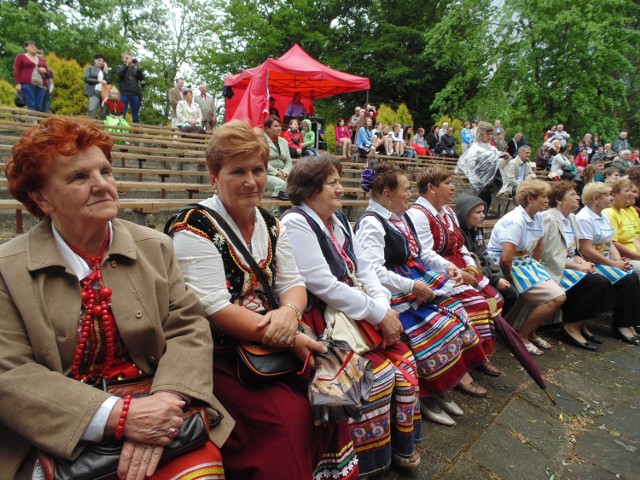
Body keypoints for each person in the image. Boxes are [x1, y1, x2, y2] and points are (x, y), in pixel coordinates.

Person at [0, 116, 233, 479]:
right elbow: (10, 373)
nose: (101, 185)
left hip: (162, 407)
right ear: (40, 197)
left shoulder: (155, 246)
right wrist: (119, 418)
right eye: (79, 177)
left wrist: (164, 406)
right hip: (58, 432)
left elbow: (189, 328)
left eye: (105, 172)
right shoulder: (6, 269)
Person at [169, 121, 358, 480]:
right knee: (287, 422)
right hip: (220, 355)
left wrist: (289, 312)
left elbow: (294, 284)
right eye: (237, 171)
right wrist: (292, 333)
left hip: (276, 341)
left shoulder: (272, 224)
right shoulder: (194, 227)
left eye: (258, 170)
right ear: (214, 176)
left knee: (330, 396)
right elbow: (214, 308)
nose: (251, 180)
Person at [281, 155, 422, 475]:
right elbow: (323, 284)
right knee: (377, 375)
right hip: (323, 316)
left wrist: (383, 305)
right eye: (333, 183)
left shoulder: (340, 219)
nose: (341, 189)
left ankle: (399, 446)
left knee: (405, 361)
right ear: (310, 190)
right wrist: (376, 313)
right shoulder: (296, 222)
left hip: (355, 306)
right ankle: (366, 460)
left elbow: (364, 269)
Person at [355, 164, 492, 427]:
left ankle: (441, 387)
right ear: (387, 193)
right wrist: (410, 287)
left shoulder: (400, 216)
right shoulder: (372, 223)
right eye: (406, 189)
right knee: (435, 328)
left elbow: (421, 253)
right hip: (391, 291)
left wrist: (447, 265)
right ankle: (427, 395)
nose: (410, 194)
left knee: (457, 314)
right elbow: (372, 271)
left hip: (412, 279)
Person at [407, 166, 503, 374]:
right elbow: (425, 255)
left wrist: (470, 266)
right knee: (478, 304)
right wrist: (455, 269)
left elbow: (461, 245)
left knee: (496, 298)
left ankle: (479, 354)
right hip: (439, 273)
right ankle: (468, 362)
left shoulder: (447, 212)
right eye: (447, 183)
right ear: (431, 188)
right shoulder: (418, 214)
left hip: (460, 268)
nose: (453, 188)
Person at [486, 180, 566, 355]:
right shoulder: (516, 221)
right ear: (530, 198)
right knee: (557, 298)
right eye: (543, 197)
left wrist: (536, 271)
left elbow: (537, 248)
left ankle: (531, 332)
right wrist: (508, 279)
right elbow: (505, 259)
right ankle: (521, 336)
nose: (547, 200)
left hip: (524, 262)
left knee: (555, 291)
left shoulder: (537, 217)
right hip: (505, 263)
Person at [540, 182, 616, 351]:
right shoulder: (548, 219)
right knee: (596, 283)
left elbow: (575, 251)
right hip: (553, 267)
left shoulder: (572, 218)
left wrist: (582, 262)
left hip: (569, 264)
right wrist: (577, 266)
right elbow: (548, 257)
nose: (577, 197)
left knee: (602, 281)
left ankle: (581, 323)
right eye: (572, 195)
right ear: (559, 200)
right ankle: (571, 326)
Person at [577, 182, 640, 345]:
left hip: (605, 260)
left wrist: (618, 261)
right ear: (596, 199)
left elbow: (609, 244)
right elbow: (586, 250)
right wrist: (613, 264)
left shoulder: (602, 216)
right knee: (626, 280)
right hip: (592, 262)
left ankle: (628, 322)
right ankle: (621, 325)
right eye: (608, 195)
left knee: (631, 275)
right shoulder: (584, 218)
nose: (611, 197)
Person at [455, 194, 519, 315]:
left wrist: (499, 276)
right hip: (472, 277)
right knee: (496, 298)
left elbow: (485, 256)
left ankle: (498, 326)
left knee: (512, 293)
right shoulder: (458, 235)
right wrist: (495, 280)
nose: (483, 216)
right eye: (478, 212)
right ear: (465, 213)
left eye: (483, 211)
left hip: (485, 275)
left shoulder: (476, 230)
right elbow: (470, 265)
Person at [455, 121, 511, 212]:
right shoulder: (474, 148)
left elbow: (498, 167)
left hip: (491, 186)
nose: (490, 136)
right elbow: (471, 167)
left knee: (484, 211)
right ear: (481, 134)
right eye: (487, 134)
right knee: (476, 210)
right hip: (479, 187)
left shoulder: (493, 149)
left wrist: (505, 159)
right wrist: (478, 184)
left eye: (491, 134)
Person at [602, 177, 640, 274]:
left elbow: (634, 238)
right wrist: (638, 256)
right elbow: (613, 243)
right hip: (625, 258)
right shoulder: (609, 213)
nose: (631, 194)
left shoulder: (623, 211)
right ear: (614, 195)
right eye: (627, 191)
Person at [13, 40, 50, 111]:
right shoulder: (21, 56)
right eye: (31, 46)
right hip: (27, 84)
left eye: (35, 46)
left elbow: (48, 75)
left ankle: (33, 121)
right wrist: (18, 83)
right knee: (31, 105)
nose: (34, 47)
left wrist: (44, 71)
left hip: (41, 86)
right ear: (26, 47)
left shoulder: (41, 60)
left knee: (38, 106)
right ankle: (34, 122)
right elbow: (17, 70)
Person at [263, 115, 292, 200]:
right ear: (267, 128)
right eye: (276, 126)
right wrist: (276, 173)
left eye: (280, 126)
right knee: (281, 185)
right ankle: (274, 212)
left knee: (299, 184)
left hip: (283, 173)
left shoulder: (284, 142)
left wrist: (285, 172)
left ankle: (288, 211)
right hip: (266, 174)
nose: (279, 128)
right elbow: (261, 161)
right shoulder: (261, 141)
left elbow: (288, 161)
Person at [116, 52, 145, 123]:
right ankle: (121, 128)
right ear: (123, 59)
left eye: (130, 58)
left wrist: (138, 68)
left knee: (136, 114)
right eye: (126, 58)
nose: (129, 60)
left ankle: (136, 129)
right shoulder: (120, 67)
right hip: (124, 93)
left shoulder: (134, 69)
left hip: (134, 94)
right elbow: (120, 74)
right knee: (122, 112)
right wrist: (126, 66)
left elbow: (141, 78)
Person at [84, 53, 111, 119]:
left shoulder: (104, 71)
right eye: (99, 60)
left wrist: (106, 70)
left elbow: (109, 82)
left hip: (103, 93)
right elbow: (86, 79)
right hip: (94, 92)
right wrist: (99, 81)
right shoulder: (90, 68)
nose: (100, 62)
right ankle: (90, 127)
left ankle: (102, 128)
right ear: (95, 60)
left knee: (103, 113)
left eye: (102, 61)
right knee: (92, 109)